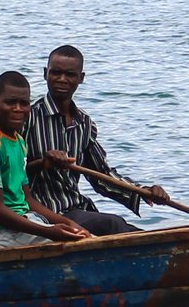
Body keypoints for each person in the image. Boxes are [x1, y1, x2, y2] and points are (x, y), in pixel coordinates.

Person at [23, 44, 167, 234]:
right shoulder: (29, 118)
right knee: (113, 224)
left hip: (76, 208)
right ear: (45, 74)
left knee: (119, 228)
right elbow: (11, 172)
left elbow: (101, 175)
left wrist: (142, 192)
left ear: (81, 78)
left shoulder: (84, 124)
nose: (62, 79)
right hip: (44, 213)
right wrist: (43, 163)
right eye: (55, 73)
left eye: (70, 75)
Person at [0, 72, 93, 248]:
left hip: (22, 221)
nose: (18, 109)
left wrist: (68, 223)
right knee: (77, 246)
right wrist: (49, 232)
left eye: (24, 104)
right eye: (10, 102)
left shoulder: (17, 140)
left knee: (86, 237)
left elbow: (27, 199)